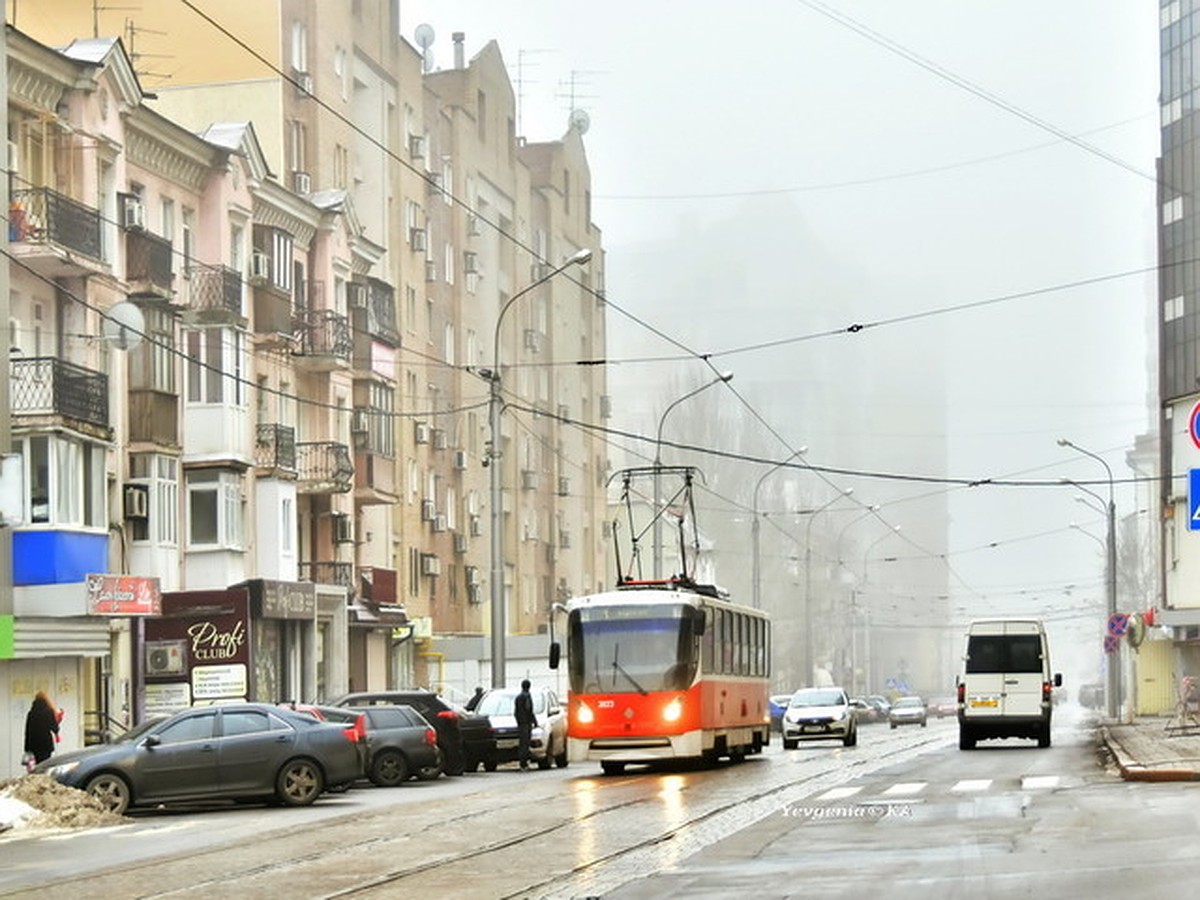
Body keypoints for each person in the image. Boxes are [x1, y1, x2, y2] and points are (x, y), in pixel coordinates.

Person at [24, 691, 60, 765]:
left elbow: (27, 732)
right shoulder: (49, 712)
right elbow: (55, 728)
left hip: (33, 745)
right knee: (45, 765)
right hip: (45, 745)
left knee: (36, 767)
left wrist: (27, 748)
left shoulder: (31, 713)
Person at [514, 679, 535, 771]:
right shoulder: (527, 696)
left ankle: (522, 762)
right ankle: (524, 763)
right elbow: (529, 710)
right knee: (525, 744)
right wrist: (534, 721)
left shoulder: (518, 697)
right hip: (526, 723)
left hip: (520, 723)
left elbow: (516, 712)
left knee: (522, 743)